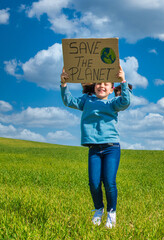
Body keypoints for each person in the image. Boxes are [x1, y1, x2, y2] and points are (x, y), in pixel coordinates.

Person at [60, 66, 131, 228]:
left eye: (106, 84)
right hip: (94, 148)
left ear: (112, 89)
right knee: (93, 182)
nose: (102, 86)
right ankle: (99, 209)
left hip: (111, 147)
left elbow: (126, 102)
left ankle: (111, 213)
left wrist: (123, 81)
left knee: (109, 181)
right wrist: (63, 84)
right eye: (99, 83)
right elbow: (68, 101)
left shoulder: (114, 103)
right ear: (94, 86)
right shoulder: (87, 101)